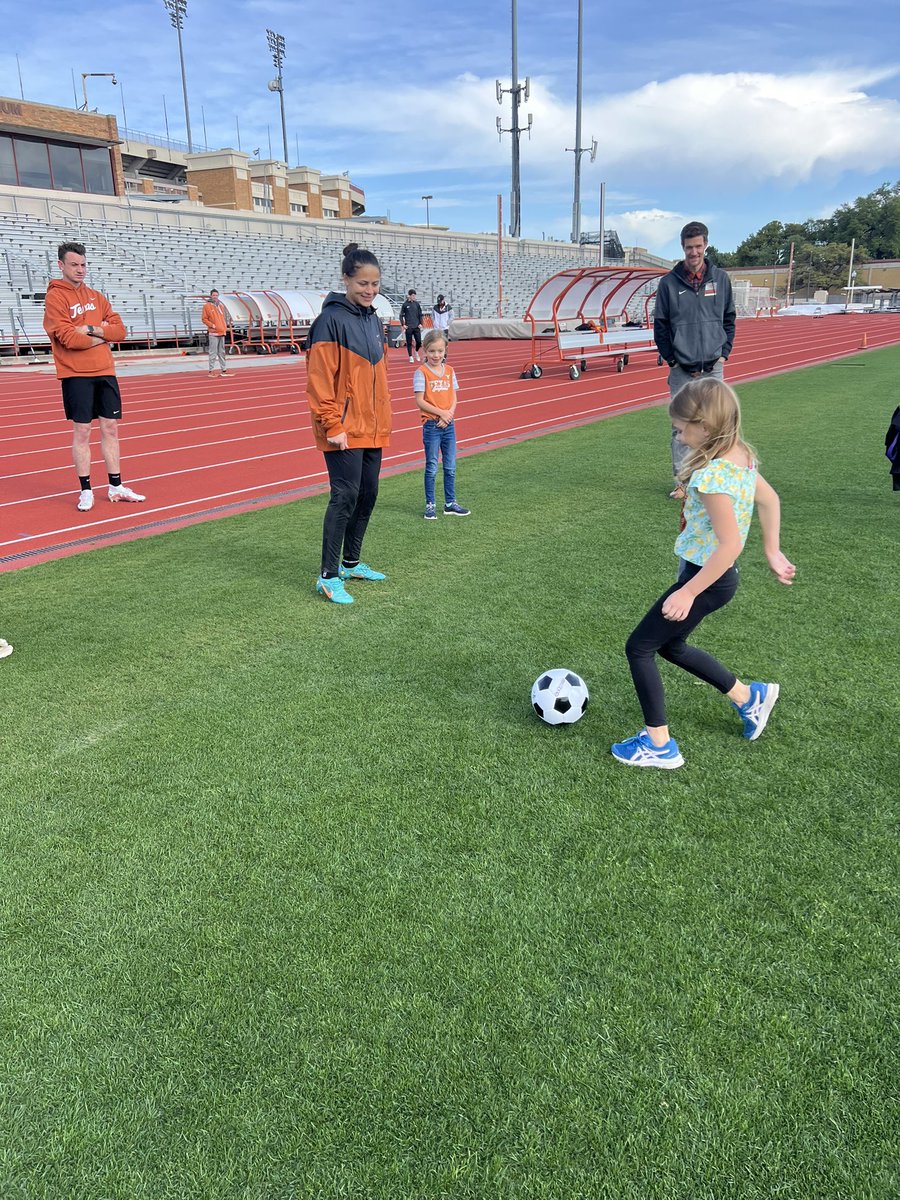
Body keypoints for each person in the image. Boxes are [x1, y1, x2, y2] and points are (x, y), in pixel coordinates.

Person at [611, 377, 795, 770]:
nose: (677, 436)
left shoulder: (712, 477)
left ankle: (659, 744)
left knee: (639, 647)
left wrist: (688, 592)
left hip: (707, 579)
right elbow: (770, 499)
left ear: (705, 427)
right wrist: (772, 551)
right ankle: (749, 698)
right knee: (670, 646)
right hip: (713, 577)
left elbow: (729, 545)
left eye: (680, 429)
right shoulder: (741, 457)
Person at [306, 243, 392, 605]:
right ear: (346, 279)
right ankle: (327, 576)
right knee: (344, 496)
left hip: (372, 426)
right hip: (342, 426)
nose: (369, 290)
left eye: (374, 284)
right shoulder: (329, 320)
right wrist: (332, 423)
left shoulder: (373, 319)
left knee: (368, 495)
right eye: (362, 283)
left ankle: (352, 562)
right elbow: (320, 379)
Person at [43, 242, 146, 512]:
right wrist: (102, 336)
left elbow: (120, 331)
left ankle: (115, 486)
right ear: (61, 265)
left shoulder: (97, 297)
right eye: (74, 264)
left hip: (105, 372)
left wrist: (90, 328)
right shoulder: (55, 298)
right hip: (76, 374)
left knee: (110, 428)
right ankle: (86, 489)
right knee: (83, 430)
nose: (80, 270)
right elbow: (67, 338)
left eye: (83, 264)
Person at [653, 221, 736, 500]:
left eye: (698, 246)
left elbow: (729, 318)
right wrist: (672, 361)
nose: (694, 252)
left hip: (713, 366)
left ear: (706, 246)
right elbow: (661, 326)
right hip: (682, 370)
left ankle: (716, 479)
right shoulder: (668, 284)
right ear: (682, 248)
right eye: (689, 247)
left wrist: (723, 353)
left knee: (718, 424)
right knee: (682, 427)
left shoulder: (720, 279)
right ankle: (683, 482)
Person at [413, 330, 471, 520]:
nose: (436, 355)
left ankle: (450, 503)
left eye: (439, 351)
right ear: (425, 351)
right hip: (432, 425)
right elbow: (420, 401)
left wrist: (449, 415)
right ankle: (430, 504)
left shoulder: (450, 370)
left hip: (449, 424)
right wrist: (441, 414)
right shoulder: (421, 372)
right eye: (431, 351)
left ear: (445, 350)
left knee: (450, 466)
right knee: (431, 466)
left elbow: (453, 396)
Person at [201, 288, 232, 378]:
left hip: (222, 332)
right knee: (213, 352)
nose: (215, 297)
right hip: (213, 333)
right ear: (211, 296)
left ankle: (224, 369)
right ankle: (211, 370)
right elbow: (204, 319)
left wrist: (224, 326)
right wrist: (212, 325)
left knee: (222, 352)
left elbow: (223, 318)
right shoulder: (207, 306)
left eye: (216, 295)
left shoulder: (221, 306)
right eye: (214, 295)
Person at [399, 289, 423, 362]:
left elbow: (420, 314)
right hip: (408, 326)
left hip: (416, 326)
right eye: (413, 295)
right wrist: (403, 324)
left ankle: (416, 352)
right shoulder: (405, 304)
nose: (414, 297)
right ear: (409, 296)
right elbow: (401, 315)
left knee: (419, 342)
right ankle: (410, 356)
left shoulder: (417, 304)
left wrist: (421, 323)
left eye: (415, 295)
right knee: (409, 342)